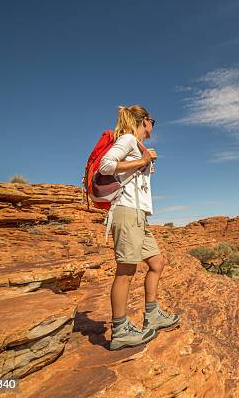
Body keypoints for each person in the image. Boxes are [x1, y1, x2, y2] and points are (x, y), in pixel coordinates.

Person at [99, 105, 180, 351]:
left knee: (157, 262)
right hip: (126, 212)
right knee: (126, 270)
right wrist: (143, 161)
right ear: (145, 121)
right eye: (152, 121)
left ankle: (152, 314)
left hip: (138, 216)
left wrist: (143, 160)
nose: (153, 126)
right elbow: (105, 165)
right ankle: (120, 329)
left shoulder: (138, 145)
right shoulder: (127, 140)